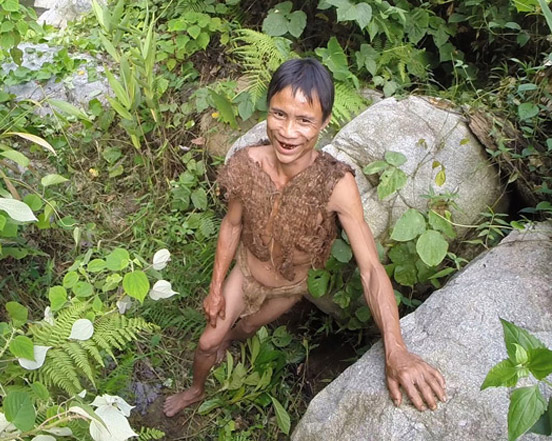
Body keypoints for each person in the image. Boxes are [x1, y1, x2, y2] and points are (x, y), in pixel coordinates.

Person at [163, 58, 446, 418]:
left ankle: (233, 339)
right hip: (246, 273)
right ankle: (196, 390)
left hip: (289, 287)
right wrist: (216, 287)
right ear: (267, 109)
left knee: (248, 326)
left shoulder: (336, 184)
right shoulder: (248, 164)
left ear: (324, 123)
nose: (287, 131)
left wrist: (396, 348)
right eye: (279, 114)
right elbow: (232, 226)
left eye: (304, 120)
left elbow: (371, 269)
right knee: (207, 341)